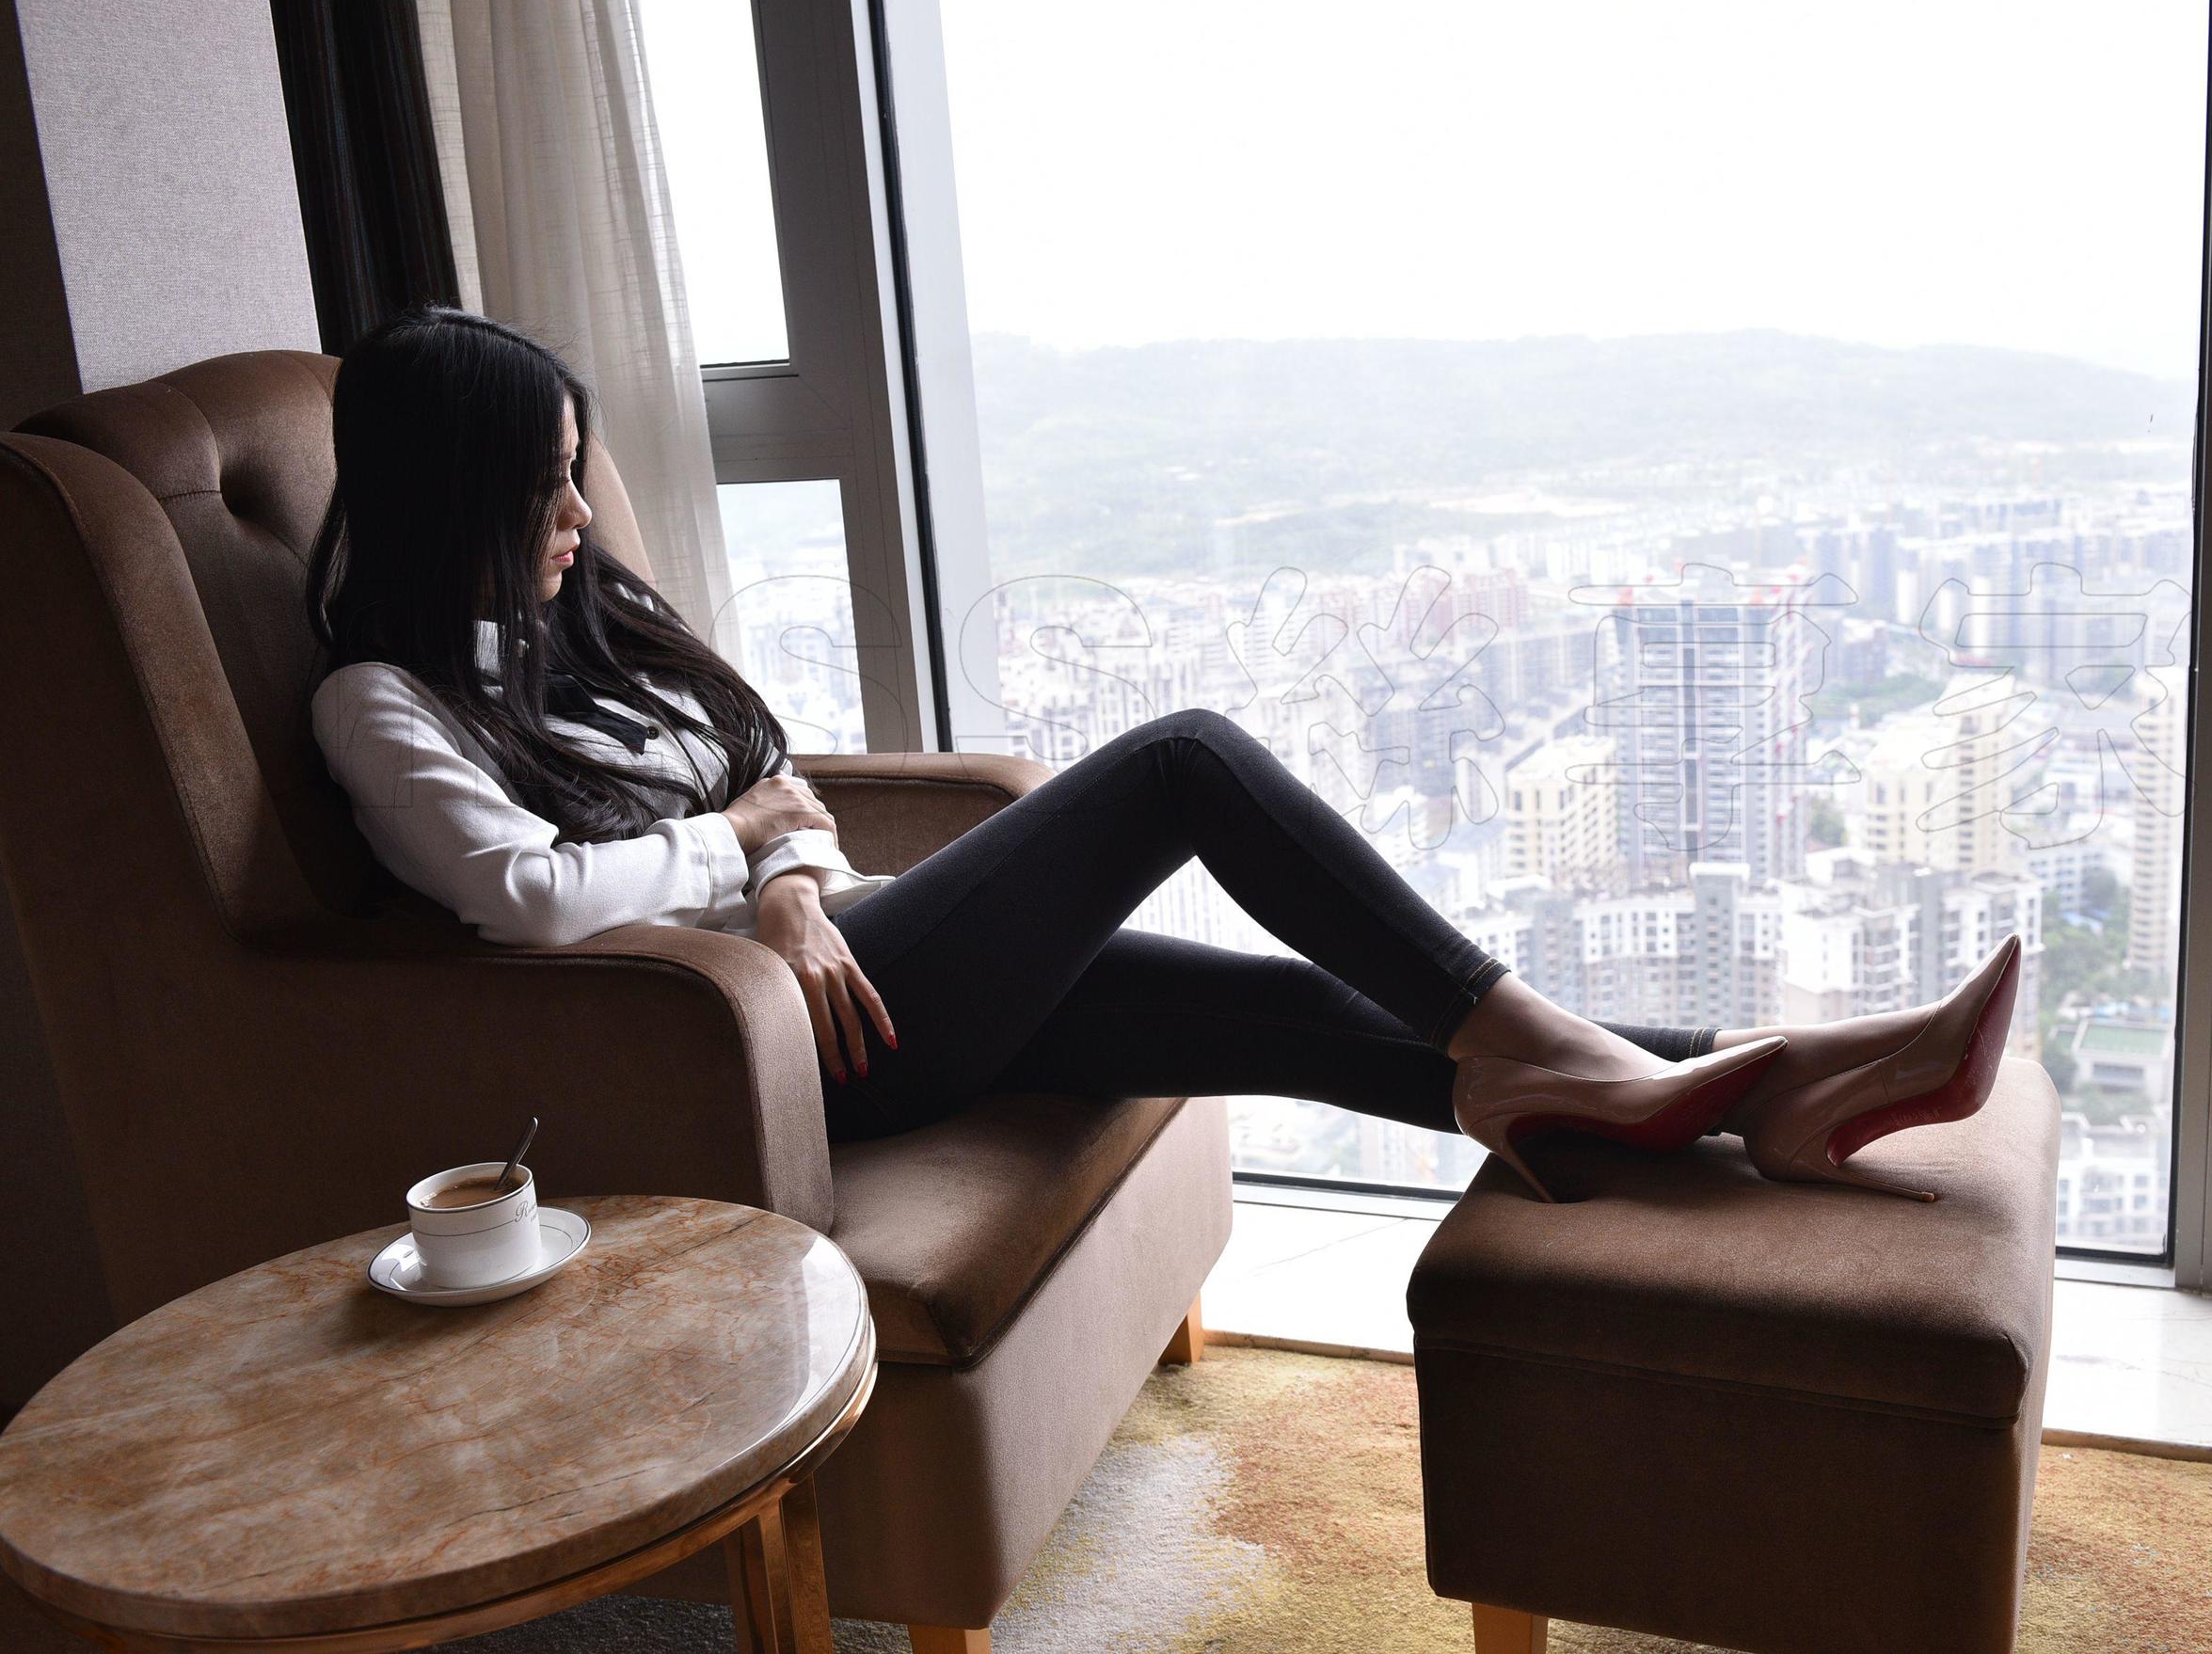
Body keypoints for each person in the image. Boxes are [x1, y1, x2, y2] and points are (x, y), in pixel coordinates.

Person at [307, 309, 2019, 1204]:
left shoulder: (580, 633)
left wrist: (793, 878)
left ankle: (1764, 1083)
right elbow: (530, 900)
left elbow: (786, 791)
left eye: (576, 473)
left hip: (839, 967)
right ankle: (1576, 1049)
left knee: (1289, 1016)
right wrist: (744, 848)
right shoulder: (379, 704)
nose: (575, 513)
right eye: (541, 486)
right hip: (756, 1059)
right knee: (1182, 761)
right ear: (446, 495)